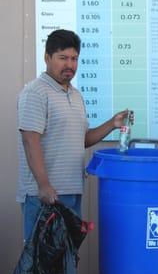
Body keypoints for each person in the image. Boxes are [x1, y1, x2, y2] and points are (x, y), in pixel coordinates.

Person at [17, 29, 129, 242]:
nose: (69, 64)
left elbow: (82, 139)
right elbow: (30, 141)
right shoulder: (35, 92)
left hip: (71, 193)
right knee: (42, 265)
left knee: (66, 260)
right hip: (45, 197)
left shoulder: (76, 95)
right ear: (47, 58)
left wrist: (113, 124)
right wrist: (43, 185)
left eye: (74, 58)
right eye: (63, 58)